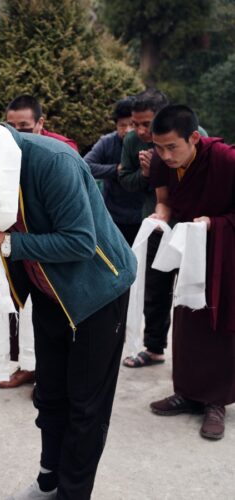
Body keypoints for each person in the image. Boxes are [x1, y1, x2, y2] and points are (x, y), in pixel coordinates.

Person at [0, 98, 135, 500]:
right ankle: (48, 481)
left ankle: (72, 493)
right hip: (48, 292)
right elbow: (2, 229)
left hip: (96, 290)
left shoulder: (51, 161)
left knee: (85, 407)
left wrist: (2, 243)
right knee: (50, 396)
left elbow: (80, 241)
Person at [147, 105, 235, 440]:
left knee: (217, 318)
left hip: (224, 249)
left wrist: (214, 223)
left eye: (172, 147)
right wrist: (159, 216)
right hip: (188, 246)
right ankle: (187, 391)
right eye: (158, 147)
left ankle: (216, 402)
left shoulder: (225, 160)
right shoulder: (160, 162)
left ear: (194, 138)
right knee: (186, 316)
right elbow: (165, 201)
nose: (164, 155)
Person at [0, 94, 80, 390]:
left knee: (55, 315)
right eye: (11, 127)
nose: (17, 134)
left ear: (41, 123)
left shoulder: (61, 151)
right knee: (20, 305)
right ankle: (27, 366)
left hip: (51, 244)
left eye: (25, 127)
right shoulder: (4, 152)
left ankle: (51, 373)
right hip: (16, 240)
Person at [118, 88, 176, 368]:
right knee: (155, 289)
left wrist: (162, 167)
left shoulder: (189, 133)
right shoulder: (131, 141)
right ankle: (154, 348)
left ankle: (199, 358)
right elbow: (125, 181)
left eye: (146, 124)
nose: (138, 130)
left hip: (190, 224)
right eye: (134, 123)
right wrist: (144, 174)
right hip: (153, 222)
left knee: (194, 289)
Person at [84, 98, 142, 245]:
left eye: (131, 125)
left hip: (143, 214)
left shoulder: (147, 141)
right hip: (113, 215)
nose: (127, 130)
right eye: (122, 125)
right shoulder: (107, 142)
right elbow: (85, 165)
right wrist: (116, 169)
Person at [6, 95, 79, 152]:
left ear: (40, 123)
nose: (15, 132)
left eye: (23, 125)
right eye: (11, 126)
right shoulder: (3, 144)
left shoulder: (64, 148)